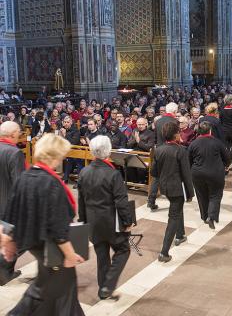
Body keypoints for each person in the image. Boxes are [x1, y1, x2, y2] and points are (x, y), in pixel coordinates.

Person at [1, 134, 85, 315]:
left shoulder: (26, 175)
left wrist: (10, 241)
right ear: (54, 156)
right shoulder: (50, 182)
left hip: (36, 243)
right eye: (61, 155)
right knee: (45, 290)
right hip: (51, 246)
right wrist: (70, 255)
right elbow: (58, 227)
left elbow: (13, 211)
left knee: (56, 290)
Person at [78, 136, 133, 300]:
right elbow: (121, 201)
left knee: (102, 257)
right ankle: (108, 285)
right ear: (108, 151)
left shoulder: (84, 171)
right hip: (111, 222)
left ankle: (103, 289)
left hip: (93, 223)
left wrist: (83, 222)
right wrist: (128, 221)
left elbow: (81, 201)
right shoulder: (113, 173)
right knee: (123, 250)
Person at [151, 122, 194, 263]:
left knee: (176, 208)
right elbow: (186, 175)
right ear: (176, 134)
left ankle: (180, 234)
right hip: (177, 188)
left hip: (165, 188)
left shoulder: (158, 150)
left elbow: (154, 172)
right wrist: (190, 193)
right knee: (173, 217)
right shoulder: (180, 150)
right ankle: (164, 252)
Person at [188, 121, 231, 229]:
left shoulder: (193, 143)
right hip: (215, 173)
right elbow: (227, 158)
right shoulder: (217, 142)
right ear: (210, 131)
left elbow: (188, 160)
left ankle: (204, 216)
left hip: (197, 174)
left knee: (201, 195)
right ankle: (211, 216)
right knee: (215, 195)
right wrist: (226, 165)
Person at [0, 121, 25, 285]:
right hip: (9, 206)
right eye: (19, 132)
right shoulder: (14, 153)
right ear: (13, 134)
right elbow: (19, 184)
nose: (20, 134)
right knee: (19, 240)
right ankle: (4, 272)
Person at [148, 102, 179, 211]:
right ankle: (174, 201)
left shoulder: (158, 121)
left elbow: (155, 138)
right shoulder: (174, 121)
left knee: (156, 177)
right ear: (174, 111)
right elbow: (176, 139)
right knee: (173, 175)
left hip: (159, 151)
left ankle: (151, 201)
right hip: (171, 151)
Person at [220, 94, 232, 170]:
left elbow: (220, 122)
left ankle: (225, 165)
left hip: (224, 132)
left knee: (225, 149)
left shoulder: (221, 110)